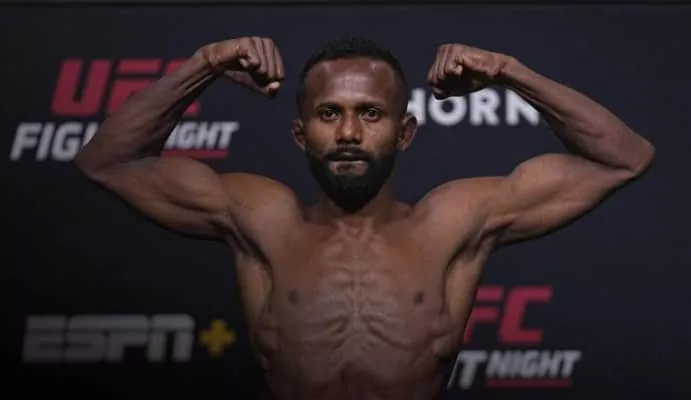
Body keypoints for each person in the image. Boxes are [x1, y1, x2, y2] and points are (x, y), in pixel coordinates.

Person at [74, 36, 655, 400]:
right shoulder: (262, 220)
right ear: (301, 134)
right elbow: (108, 161)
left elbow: (623, 157)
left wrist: (508, 70)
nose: (349, 132)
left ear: (405, 133)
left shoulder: (452, 223)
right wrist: (204, 64)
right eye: (329, 114)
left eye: (371, 114)